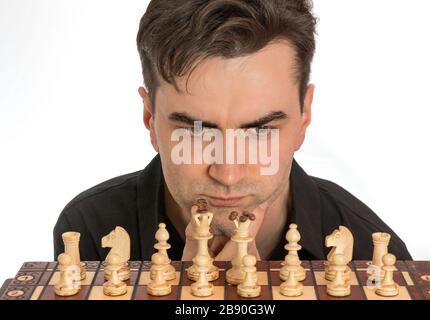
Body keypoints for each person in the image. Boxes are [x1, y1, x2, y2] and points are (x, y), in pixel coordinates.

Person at [54, 0, 411, 262]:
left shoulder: (372, 250)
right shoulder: (89, 228)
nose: (227, 172)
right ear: (149, 118)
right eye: (196, 133)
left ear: (305, 115)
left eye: (259, 131)